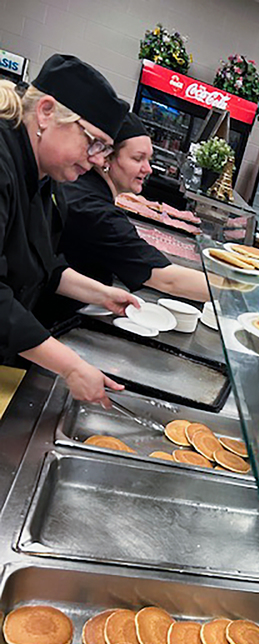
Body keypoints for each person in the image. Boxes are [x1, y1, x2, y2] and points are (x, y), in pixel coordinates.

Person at [0, 54, 140, 408]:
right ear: (46, 111)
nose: (98, 160)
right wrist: (72, 367)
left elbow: (42, 264)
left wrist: (102, 294)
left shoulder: (45, 176)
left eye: (105, 150)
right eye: (94, 143)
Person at [53, 112, 209, 317]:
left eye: (149, 159)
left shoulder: (84, 188)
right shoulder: (96, 212)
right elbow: (167, 280)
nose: (148, 169)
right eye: (138, 159)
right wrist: (232, 293)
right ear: (105, 158)